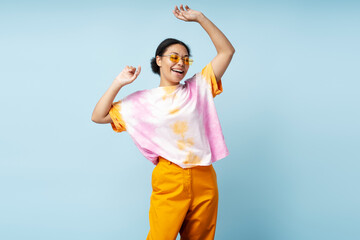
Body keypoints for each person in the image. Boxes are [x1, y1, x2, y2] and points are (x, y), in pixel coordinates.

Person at [91, 4, 235, 240]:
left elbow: (226, 52)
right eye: (174, 57)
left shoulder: (198, 87)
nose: (181, 63)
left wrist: (200, 18)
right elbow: (98, 116)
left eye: (186, 59)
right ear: (159, 60)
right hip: (170, 176)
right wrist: (118, 82)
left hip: (204, 176)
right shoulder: (141, 102)